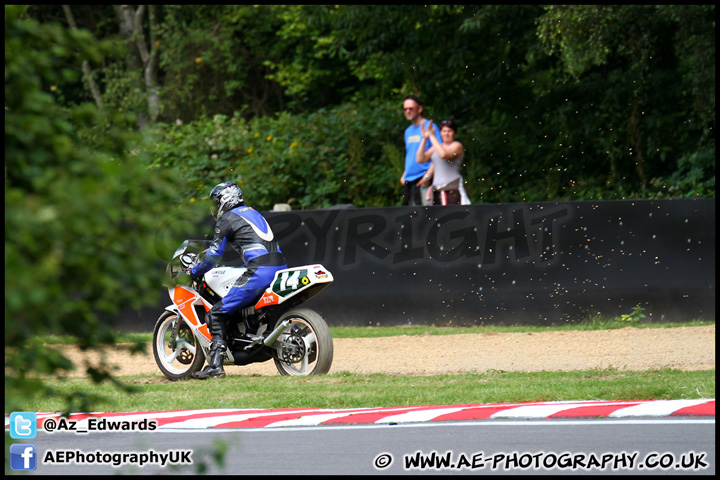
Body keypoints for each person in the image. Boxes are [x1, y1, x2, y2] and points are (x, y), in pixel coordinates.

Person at [190, 181, 287, 379]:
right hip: (279, 267)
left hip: (259, 271)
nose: (215, 208)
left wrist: (193, 271)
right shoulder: (252, 212)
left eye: (216, 203)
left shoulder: (226, 219)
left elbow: (213, 256)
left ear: (225, 201)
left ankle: (215, 366)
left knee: (216, 313)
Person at [401, 95, 441, 206]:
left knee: (426, 218)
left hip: (423, 180)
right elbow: (411, 154)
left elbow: (439, 153)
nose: (408, 111)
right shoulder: (408, 131)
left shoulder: (430, 127)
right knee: (411, 218)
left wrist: (428, 176)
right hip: (409, 181)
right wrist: (405, 174)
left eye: (411, 108)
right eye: (405, 109)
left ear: (420, 109)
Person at [416, 119, 466, 205]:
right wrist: (424, 139)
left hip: (452, 189)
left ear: (454, 133)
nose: (446, 134)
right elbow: (420, 159)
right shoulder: (436, 147)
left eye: (449, 131)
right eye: (444, 131)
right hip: (436, 190)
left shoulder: (457, 146)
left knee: (452, 217)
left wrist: (432, 136)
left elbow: (443, 154)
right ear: (440, 133)